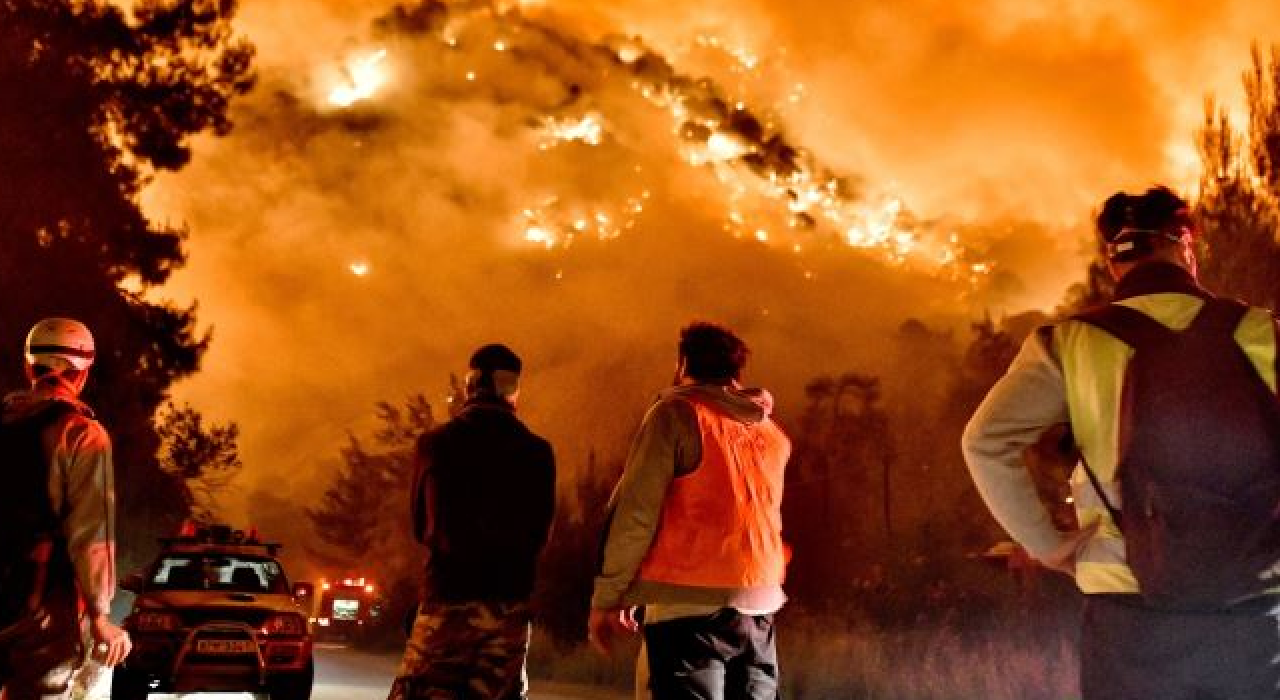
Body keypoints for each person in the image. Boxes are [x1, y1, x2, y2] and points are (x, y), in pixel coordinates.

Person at [962, 185, 1280, 700]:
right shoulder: (1263, 333)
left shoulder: (1070, 343)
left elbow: (984, 441)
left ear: (1114, 262)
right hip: (1253, 615)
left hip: (1129, 616)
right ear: (1185, 246)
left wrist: (1049, 547)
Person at [590, 321, 791, 700]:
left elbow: (635, 515)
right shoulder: (769, 432)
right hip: (759, 605)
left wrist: (610, 597)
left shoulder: (676, 414)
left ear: (683, 364)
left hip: (686, 611)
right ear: (736, 371)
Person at [388, 344, 556, 700]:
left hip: (447, 598)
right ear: (512, 389)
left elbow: (420, 525)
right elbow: (540, 534)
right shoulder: (538, 453)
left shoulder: (434, 445)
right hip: (508, 607)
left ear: (470, 385)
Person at [0, 318, 131, 700]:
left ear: (29, 368)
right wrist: (100, 616)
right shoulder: (81, 433)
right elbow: (91, 534)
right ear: (83, 374)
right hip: (37, 599)